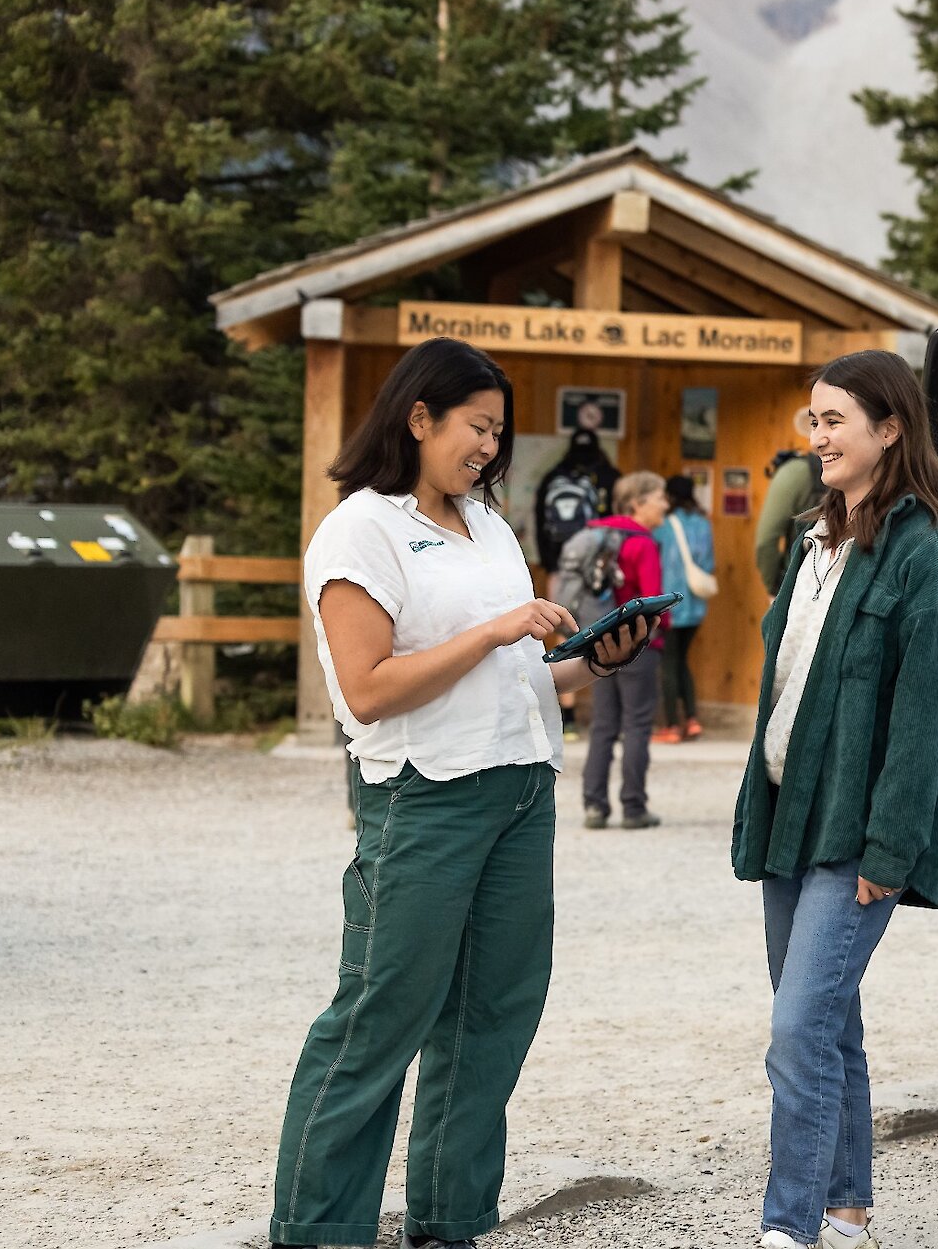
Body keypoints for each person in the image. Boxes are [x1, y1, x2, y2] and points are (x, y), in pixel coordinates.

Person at [271, 337, 655, 1249]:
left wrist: (589, 669)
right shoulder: (359, 528)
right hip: (422, 797)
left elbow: (519, 672)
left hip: (522, 788)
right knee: (380, 1013)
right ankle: (317, 1229)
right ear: (418, 417)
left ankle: (450, 1219)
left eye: (497, 431)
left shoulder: (487, 525)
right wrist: (493, 631)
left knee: (494, 1014)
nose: (489, 446)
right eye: (476, 427)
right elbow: (366, 687)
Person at [734, 351, 938, 1249]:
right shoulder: (816, 541)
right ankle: (846, 1211)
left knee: (797, 1030)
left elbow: (923, 725)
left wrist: (888, 852)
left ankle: (786, 1227)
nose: (818, 435)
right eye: (813, 419)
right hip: (788, 818)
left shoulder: (931, 556)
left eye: (835, 419)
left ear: (891, 429)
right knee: (828, 1026)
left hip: (855, 837)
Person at [581, 470, 672, 829]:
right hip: (638, 647)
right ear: (637, 503)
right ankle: (633, 807)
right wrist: (660, 628)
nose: (665, 503)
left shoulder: (598, 536)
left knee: (603, 725)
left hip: (599, 643)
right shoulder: (642, 543)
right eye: (659, 497)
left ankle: (594, 806)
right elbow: (652, 601)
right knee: (636, 724)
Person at [535, 429, 620, 740]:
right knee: (610, 635)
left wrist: (550, 564)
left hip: (562, 570)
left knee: (562, 633)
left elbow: (541, 524)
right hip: (599, 572)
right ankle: (607, 720)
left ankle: (567, 718)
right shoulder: (609, 476)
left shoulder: (554, 477)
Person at [652, 473, 714, 744]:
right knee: (682, 661)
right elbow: (708, 565)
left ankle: (672, 727)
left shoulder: (662, 525)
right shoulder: (703, 523)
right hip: (696, 604)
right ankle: (692, 720)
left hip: (669, 604)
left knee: (669, 662)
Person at [754, 435, 824, 595]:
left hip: (797, 586)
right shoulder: (864, 470)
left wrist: (774, 588)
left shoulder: (795, 472)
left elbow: (765, 541)